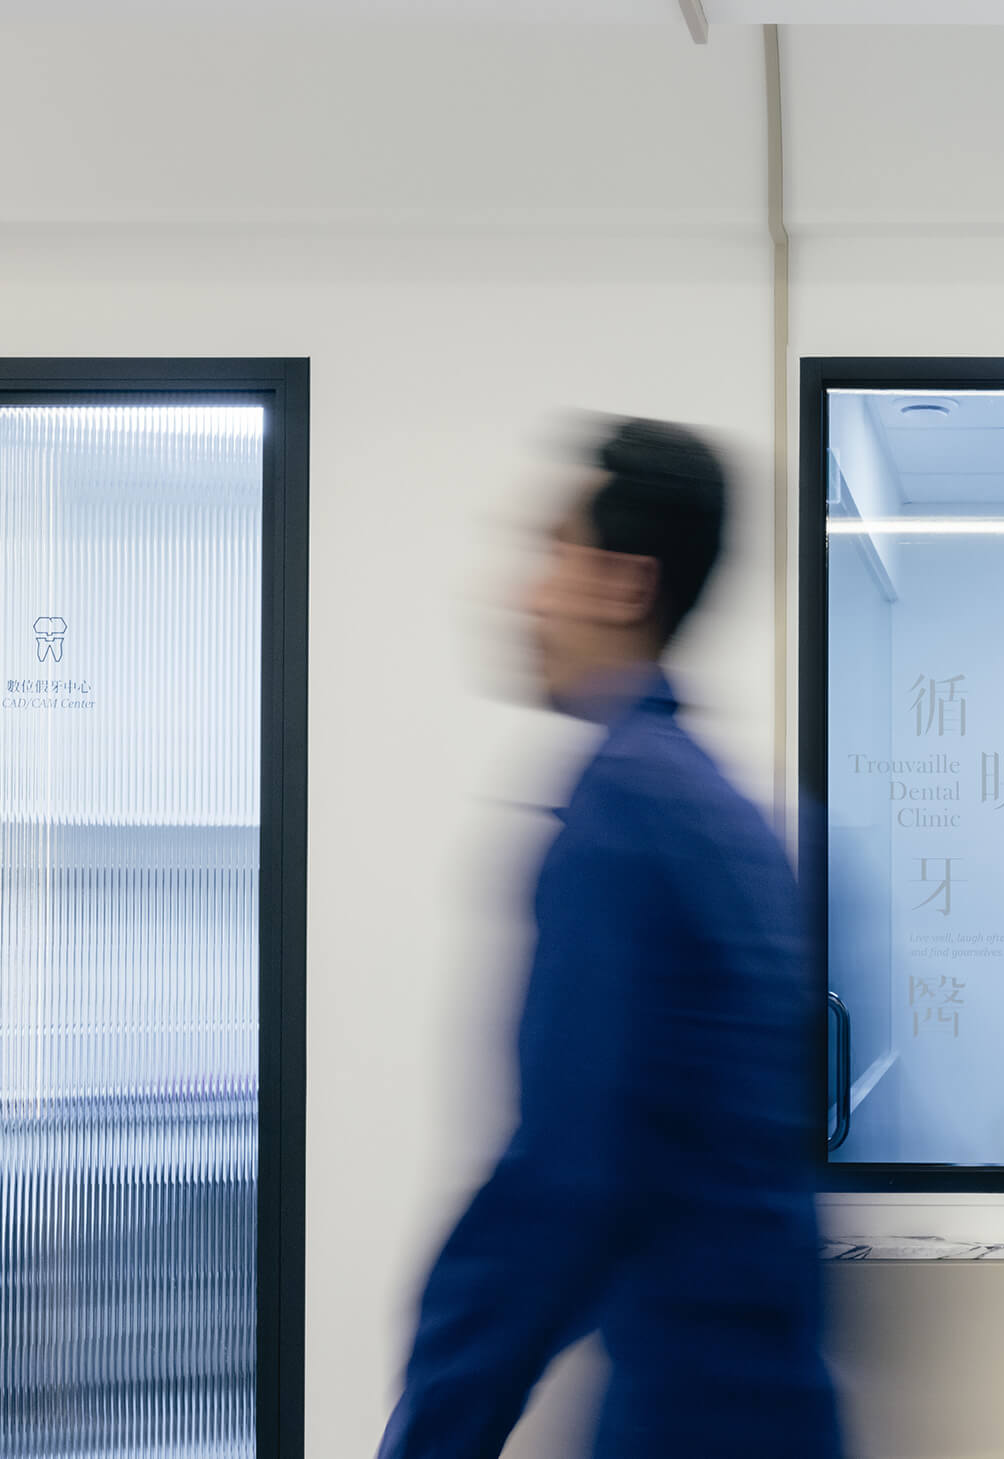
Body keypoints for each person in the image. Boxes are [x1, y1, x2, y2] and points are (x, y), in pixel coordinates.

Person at [377, 419, 842, 1459]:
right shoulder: (734, 817)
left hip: (688, 1420)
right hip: (777, 1410)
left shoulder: (620, 813)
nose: (523, 593)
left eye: (551, 552)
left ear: (624, 584)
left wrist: (432, 1434)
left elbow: (556, 1184)